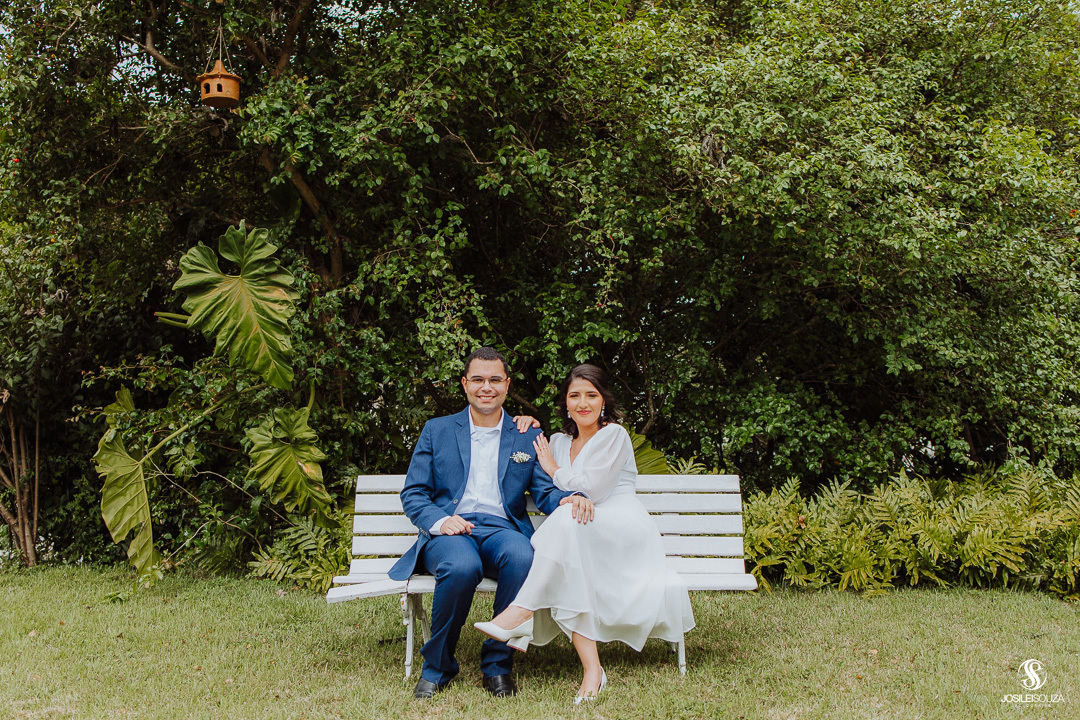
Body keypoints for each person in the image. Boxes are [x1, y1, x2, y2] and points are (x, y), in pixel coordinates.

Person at [474, 363, 696, 703]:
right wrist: (526, 422)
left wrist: (554, 470)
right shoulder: (558, 442)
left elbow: (594, 490)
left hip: (621, 528)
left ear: (603, 401)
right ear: (565, 402)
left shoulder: (614, 435)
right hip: (581, 530)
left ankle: (521, 610)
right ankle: (593, 670)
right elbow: (542, 471)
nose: (583, 403)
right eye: (575, 395)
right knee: (569, 544)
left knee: (566, 519)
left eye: (591, 395)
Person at [389, 347, 594, 700]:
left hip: (502, 529)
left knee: (522, 557)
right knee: (460, 566)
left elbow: (543, 490)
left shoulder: (525, 434)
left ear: (507, 385)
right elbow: (414, 493)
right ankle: (438, 668)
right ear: (465, 384)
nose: (487, 387)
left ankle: (497, 666)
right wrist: (440, 521)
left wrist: (566, 497)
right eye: (479, 380)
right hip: (453, 530)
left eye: (495, 380)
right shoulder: (436, 430)